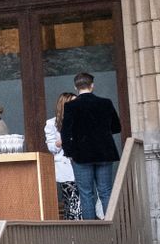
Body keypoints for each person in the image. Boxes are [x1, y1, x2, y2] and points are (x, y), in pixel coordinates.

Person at [61, 73, 123, 219]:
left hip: (80, 154)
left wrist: (69, 152)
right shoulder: (106, 103)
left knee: (86, 194)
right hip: (105, 152)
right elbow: (116, 127)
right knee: (106, 192)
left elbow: (65, 132)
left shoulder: (70, 106)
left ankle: (91, 235)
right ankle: (111, 230)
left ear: (75, 87)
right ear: (92, 85)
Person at [45, 92, 82, 220]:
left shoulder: (81, 119)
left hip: (83, 164)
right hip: (66, 167)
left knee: (83, 200)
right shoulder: (51, 123)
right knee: (72, 202)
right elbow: (51, 148)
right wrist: (63, 140)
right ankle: (74, 231)